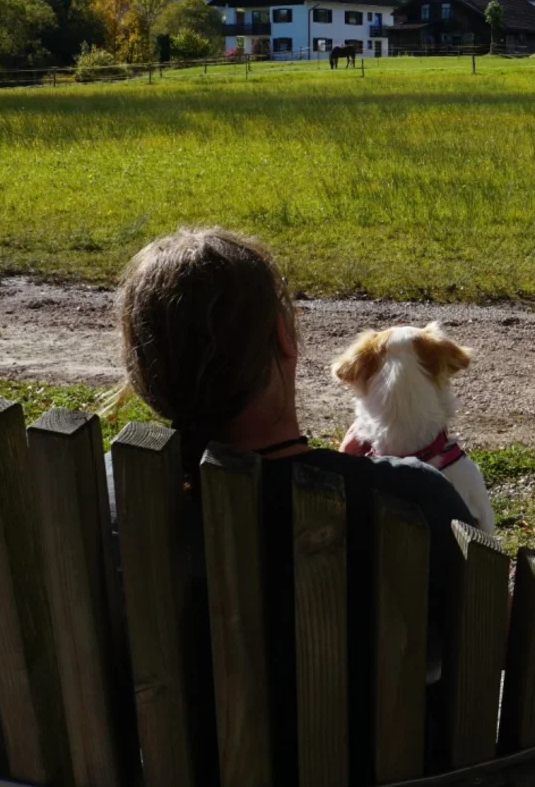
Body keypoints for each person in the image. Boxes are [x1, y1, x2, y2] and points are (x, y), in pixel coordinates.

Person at [106, 226, 476, 783]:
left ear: (144, 370)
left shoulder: (110, 497)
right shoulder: (411, 500)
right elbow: (485, 642)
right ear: (283, 337)